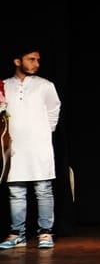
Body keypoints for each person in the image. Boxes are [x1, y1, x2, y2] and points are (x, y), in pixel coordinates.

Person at [1, 46, 61, 251]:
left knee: (43, 189)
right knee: (16, 191)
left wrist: (44, 133)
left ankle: (45, 232)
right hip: (14, 146)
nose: (36, 64)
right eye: (31, 59)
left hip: (39, 144)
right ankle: (17, 233)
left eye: (38, 60)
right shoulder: (4, 86)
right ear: (17, 61)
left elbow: (53, 110)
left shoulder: (45, 86)